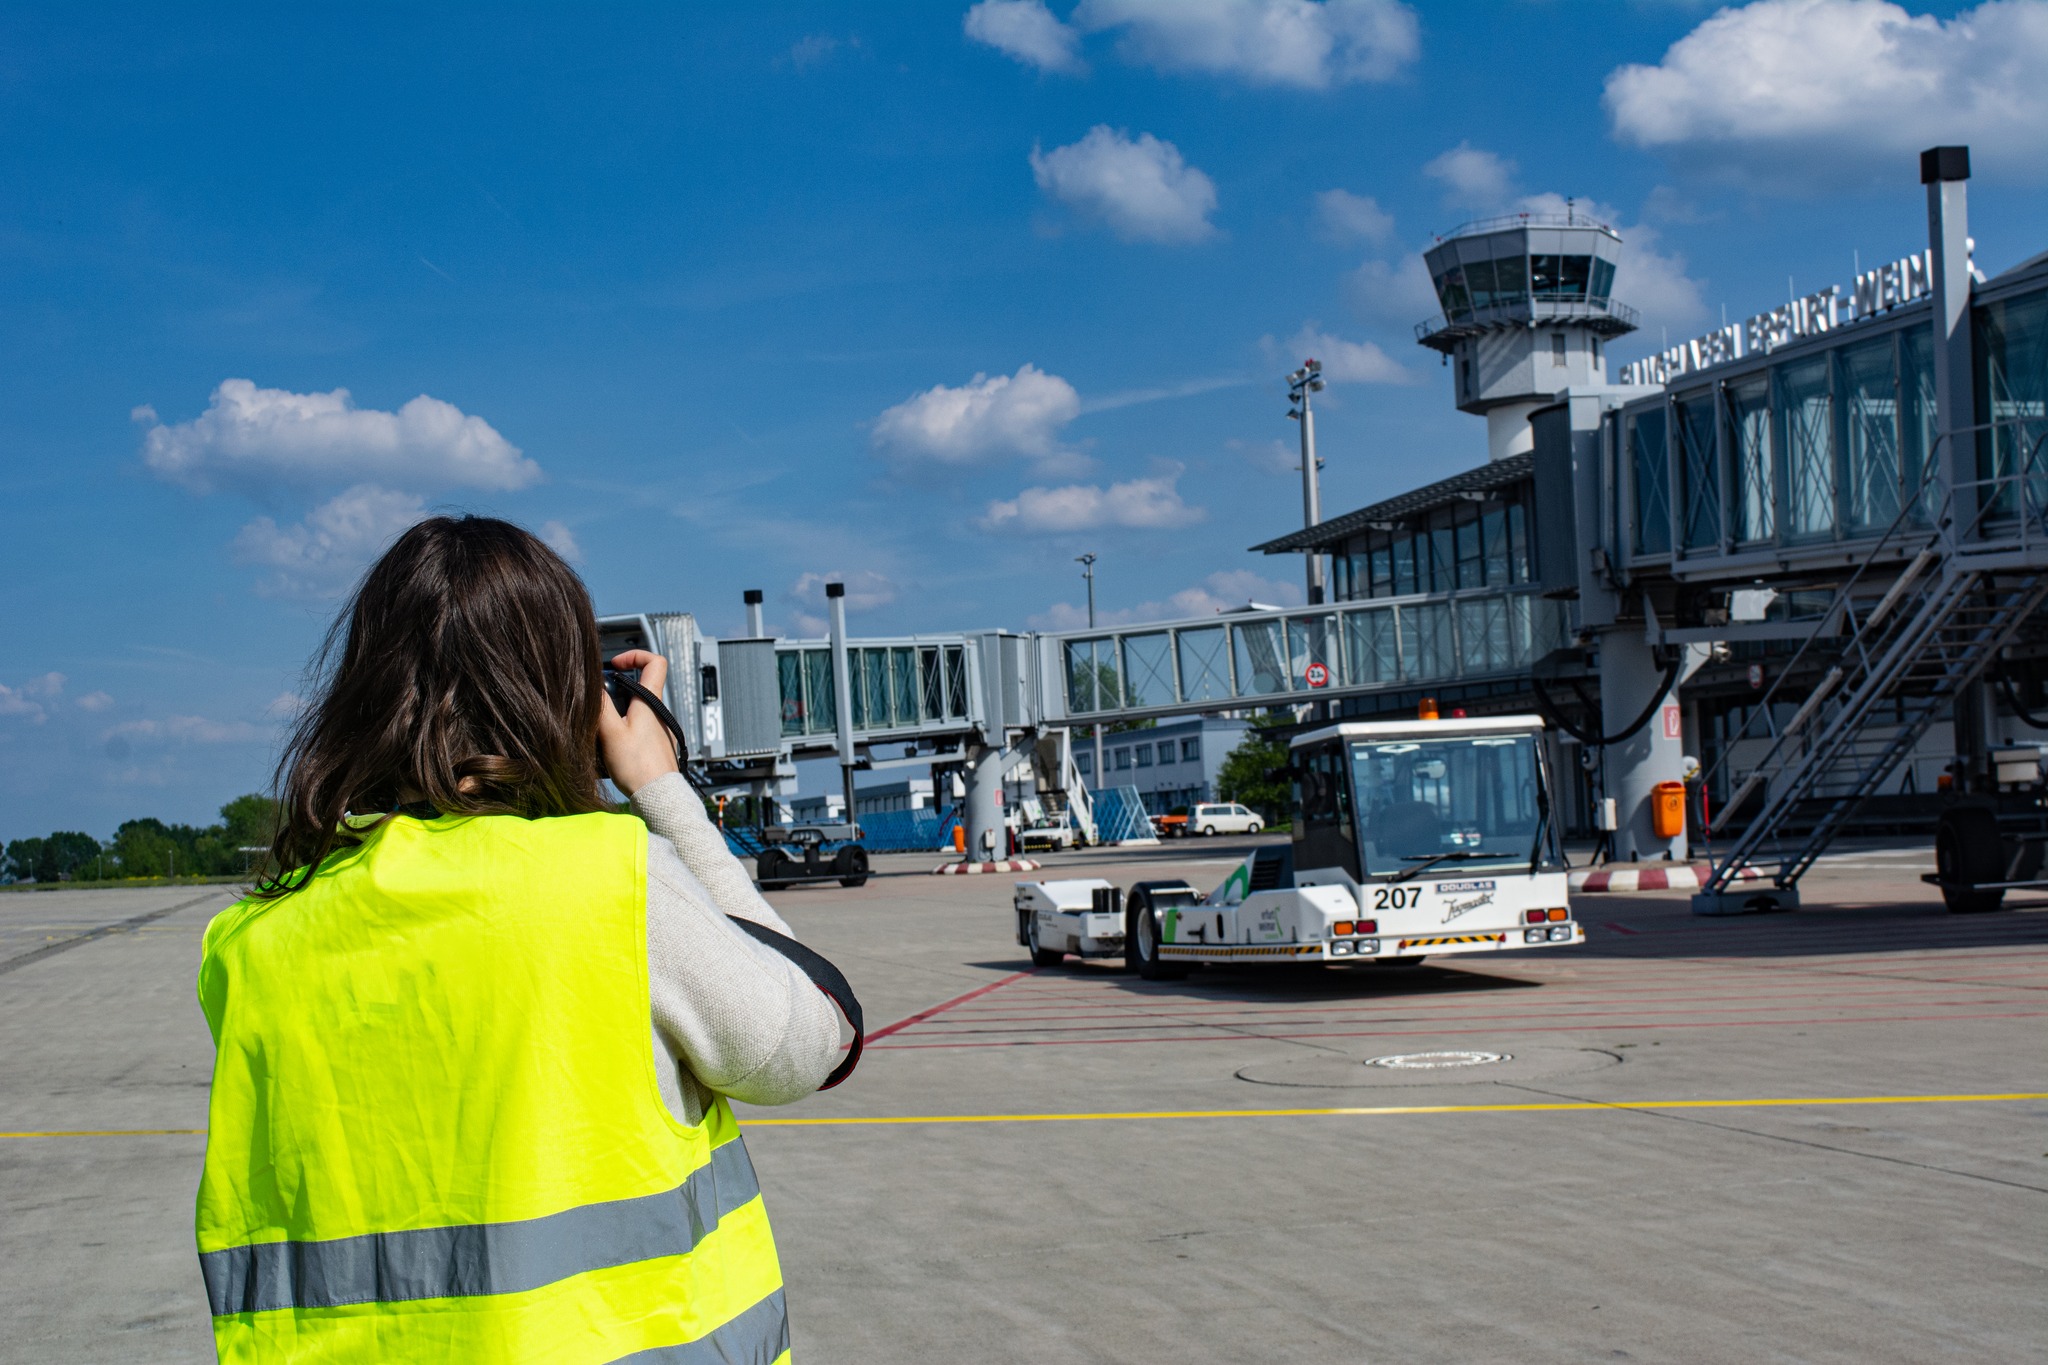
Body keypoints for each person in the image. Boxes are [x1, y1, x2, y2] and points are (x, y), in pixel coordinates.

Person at [193, 516, 840, 1363]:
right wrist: (660, 786)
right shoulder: (608, 882)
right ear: (557, 692)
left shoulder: (248, 939)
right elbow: (805, 1041)